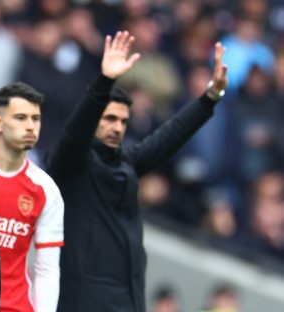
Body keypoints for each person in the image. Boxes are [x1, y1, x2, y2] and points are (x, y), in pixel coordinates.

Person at [46, 31, 228, 312]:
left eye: (123, 121)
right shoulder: (71, 164)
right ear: (94, 118)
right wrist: (103, 82)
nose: (118, 127)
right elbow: (74, 134)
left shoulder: (125, 161)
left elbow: (170, 135)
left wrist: (210, 97)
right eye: (109, 119)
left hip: (129, 300)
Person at [0, 82, 64, 312]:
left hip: (14, 307)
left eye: (36, 119)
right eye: (21, 117)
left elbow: (47, 268)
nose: (31, 126)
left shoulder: (46, 189)